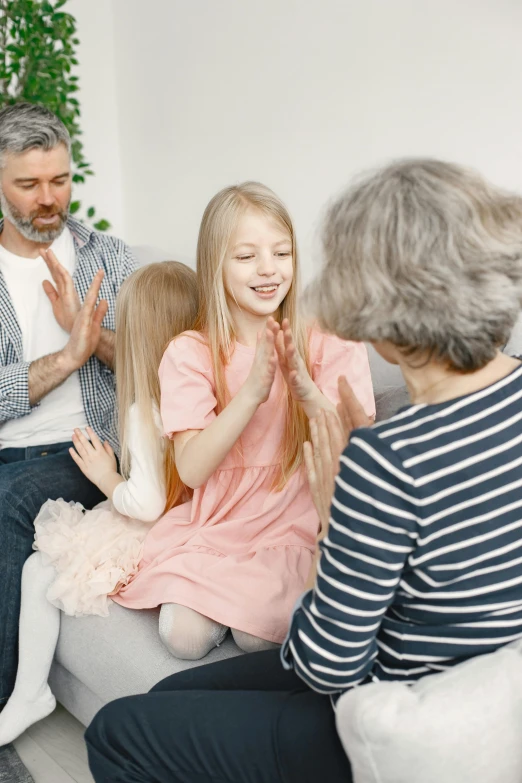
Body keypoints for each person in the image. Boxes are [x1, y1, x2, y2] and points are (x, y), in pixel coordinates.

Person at [86, 160, 522, 783]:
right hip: (476, 696)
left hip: (387, 714)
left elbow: (326, 663)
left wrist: (330, 515)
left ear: (377, 310)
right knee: (166, 700)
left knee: (117, 731)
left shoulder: (386, 458)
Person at [111, 181, 375, 659]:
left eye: (281, 252)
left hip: (297, 520)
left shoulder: (330, 339)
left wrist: (305, 391)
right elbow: (191, 470)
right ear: (216, 264)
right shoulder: (189, 352)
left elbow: (358, 452)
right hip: (223, 522)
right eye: (247, 256)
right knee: (181, 638)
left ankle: (241, 616)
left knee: (258, 634)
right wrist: (251, 392)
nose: (269, 269)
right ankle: (226, 607)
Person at [0, 261, 199, 746]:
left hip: (151, 524)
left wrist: (105, 476)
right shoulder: (197, 388)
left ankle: (27, 695)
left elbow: (144, 502)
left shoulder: (143, 407)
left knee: (40, 569)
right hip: (184, 515)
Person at [0, 102, 137, 713]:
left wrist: (94, 341)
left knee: (8, 500)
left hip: (90, 455)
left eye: (59, 180)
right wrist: (67, 356)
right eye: (28, 185)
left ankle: (7, 697)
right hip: (10, 451)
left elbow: (157, 370)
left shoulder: (110, 258)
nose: (48, 198)